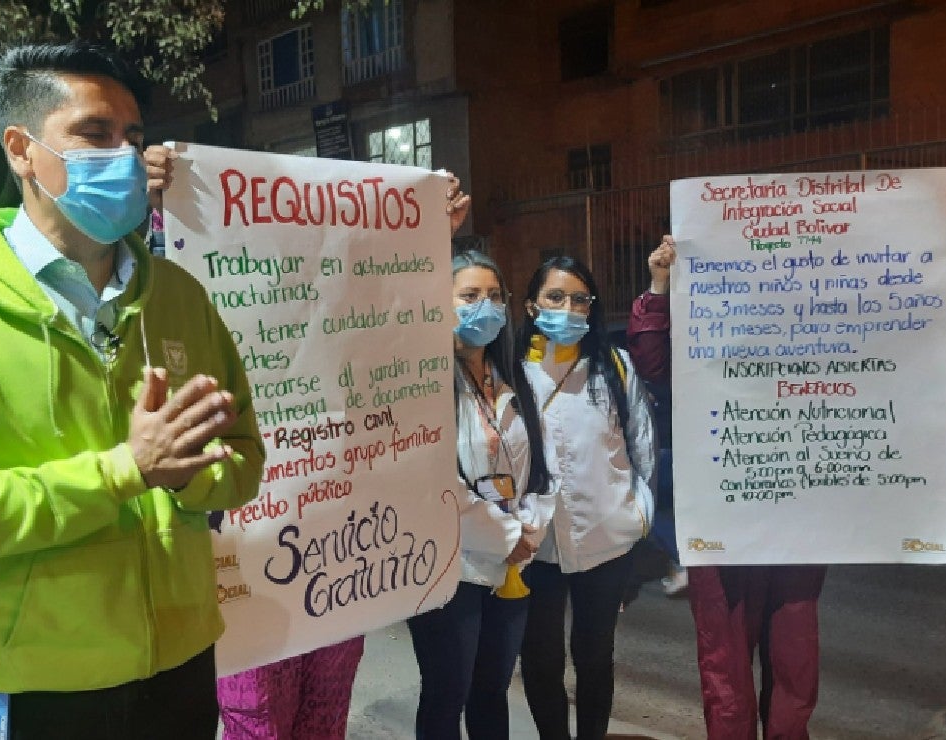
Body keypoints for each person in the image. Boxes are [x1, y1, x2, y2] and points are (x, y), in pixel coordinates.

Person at [0, 41, 264, 740]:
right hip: (30, 687)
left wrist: (186, 481)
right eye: (94, 133)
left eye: (133, 136)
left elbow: (243, 461)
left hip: (179, 670)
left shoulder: (178, 296)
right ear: (22, 149)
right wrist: (125, 471)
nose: (125, 156)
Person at [627, 237, 946, 739]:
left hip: (797, 524)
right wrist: (659, 286)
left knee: (794, 662)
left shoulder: (824, 340)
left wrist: (944, 295)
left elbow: (899, 355)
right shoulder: (708, 337)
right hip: (725, 525)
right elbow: (652, 364)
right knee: (725, 667)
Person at [216, 182, 475, 740]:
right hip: (255, 582)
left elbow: (400, 316)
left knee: (324, 724)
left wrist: (432, 237)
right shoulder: (225, 331)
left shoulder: (365, 347)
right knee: (256, 724)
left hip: (342, 575)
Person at [404, 248, 554, 740]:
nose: (483, 306)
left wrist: (532, 527)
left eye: (493, 296)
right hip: (450, 566)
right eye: (468, 296)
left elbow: (539, 468)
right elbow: (430, 479)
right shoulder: (422, 382)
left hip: (511, 563)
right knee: (448, 693)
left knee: (491, 691)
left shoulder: (516, 379)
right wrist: (506, 533)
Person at [517, 255, 657, 740]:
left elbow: (641, 445)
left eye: (580, 299)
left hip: (606, 541)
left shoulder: (612, 367)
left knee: (595, 655)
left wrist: (639, 514)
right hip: (535, 546)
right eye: (555, 297)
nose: (568, 309)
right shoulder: (513, 372)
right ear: (533, 304)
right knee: (539, 658)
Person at [628, 237, 686, 596]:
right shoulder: (665, 341)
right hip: (671, 443)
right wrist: (659, 284)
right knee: (650, 509)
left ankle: (681, 561)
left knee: (652, 511)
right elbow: (650, 359)